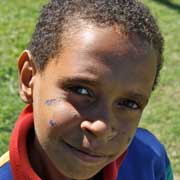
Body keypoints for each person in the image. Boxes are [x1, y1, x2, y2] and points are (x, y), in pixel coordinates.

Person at [0, 0, 174, 179]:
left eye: (129, 103)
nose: (101, 127)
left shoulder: (149, 160)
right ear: (29, 78)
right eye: (81, 90)